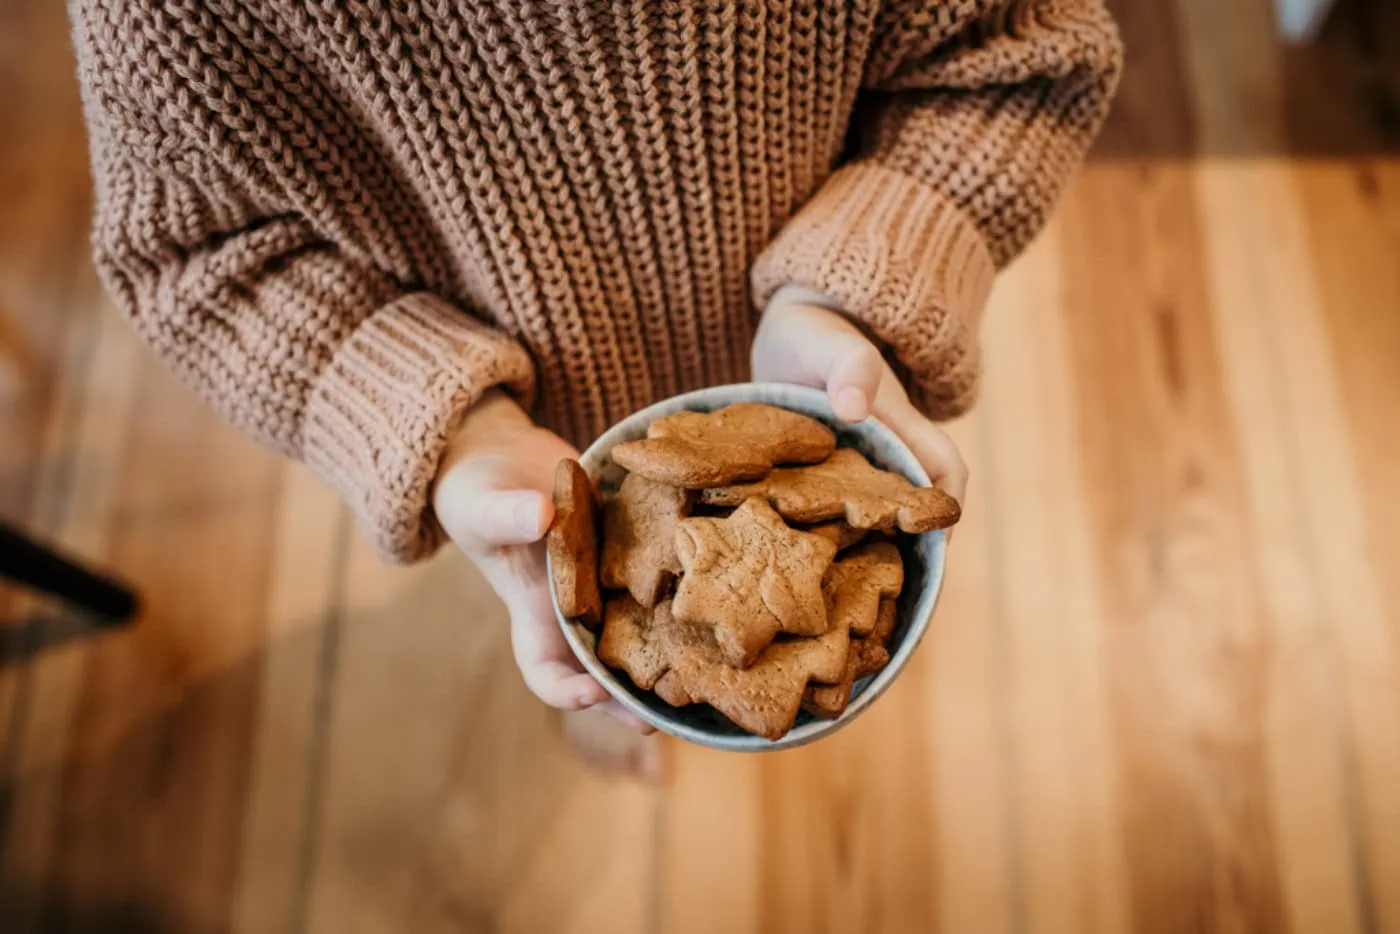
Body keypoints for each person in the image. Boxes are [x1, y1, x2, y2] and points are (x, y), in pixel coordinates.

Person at [71, 0, 1122, 773]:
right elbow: (200, 256)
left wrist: (851, 283)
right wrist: (445, 421)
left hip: (824, 366)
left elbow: (1017, 56)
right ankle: (602, 693)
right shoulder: (169, 25)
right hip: (525, 438)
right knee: (579, 633)